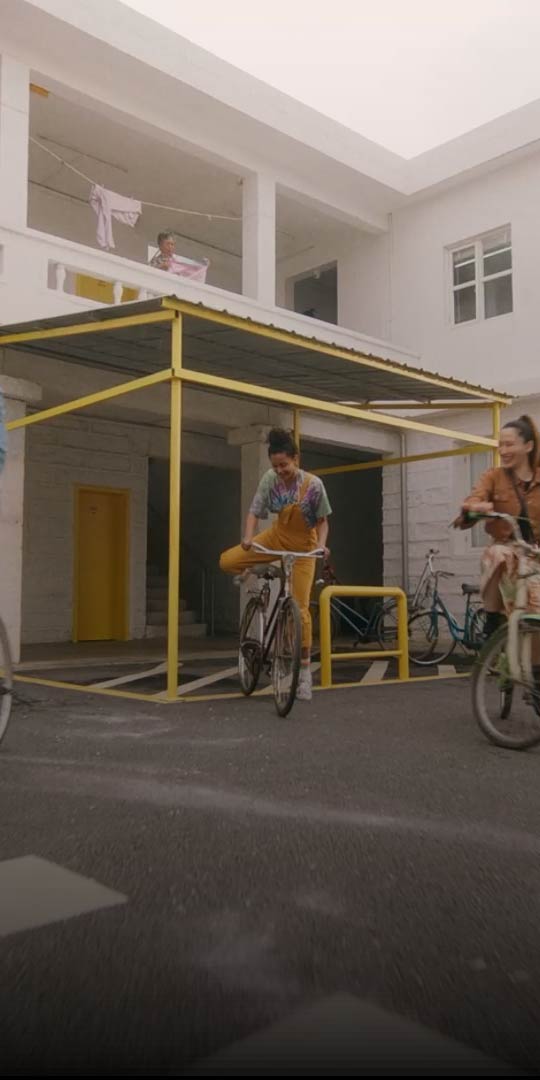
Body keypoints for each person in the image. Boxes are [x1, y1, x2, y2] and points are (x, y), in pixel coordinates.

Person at [220, 427, 332, 701]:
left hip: (304, 550)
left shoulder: (314, 486)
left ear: (296, 459)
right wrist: (248, 537)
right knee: (227, 560)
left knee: (301, 611)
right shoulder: (270, 479)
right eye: (275, 466)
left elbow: (322, 522)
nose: (280, 470)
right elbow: (254, 512)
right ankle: (262, 568)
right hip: (274, 539)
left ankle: (304, 675)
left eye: (284, 465)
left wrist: (321, 545)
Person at [456, 414, 540, 637]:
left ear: (528, 446)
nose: (502, 451)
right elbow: (475, 498)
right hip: (508, 550)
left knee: (534, 624)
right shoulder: (494, 476)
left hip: (535, 556)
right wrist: (475, 507)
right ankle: (492, 618)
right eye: (500, 445)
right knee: (497, 554)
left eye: (509, 444)